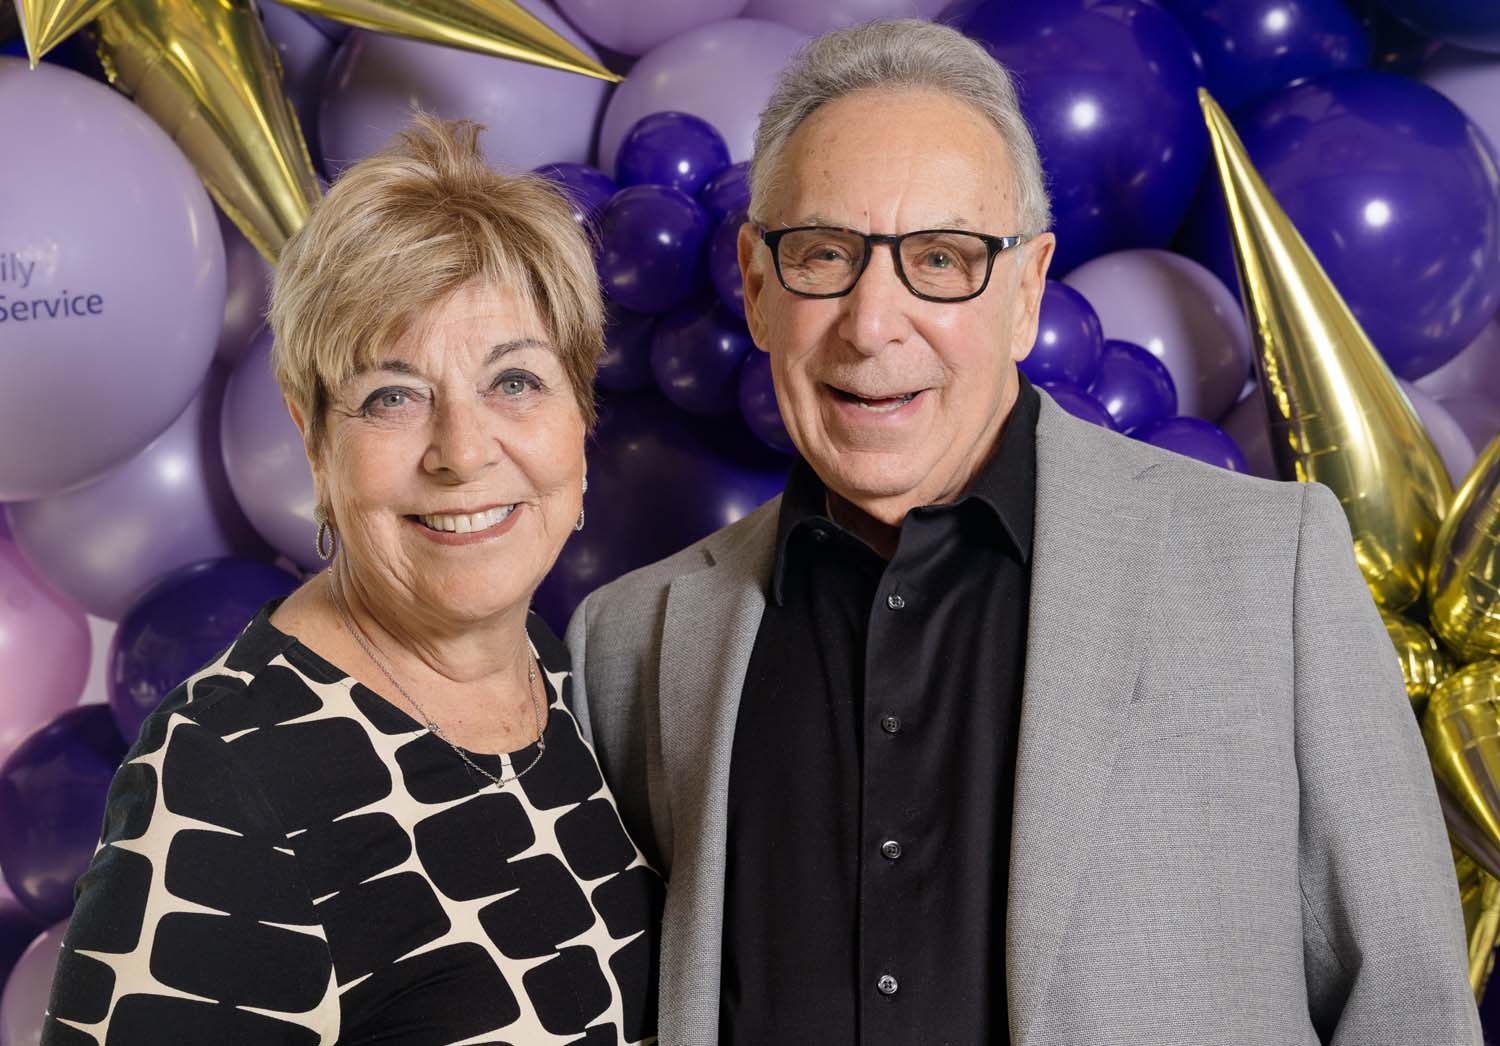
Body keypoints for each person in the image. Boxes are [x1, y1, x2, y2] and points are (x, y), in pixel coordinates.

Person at [566, 19, 1479, 1046]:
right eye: (824, 254)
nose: (873, 323)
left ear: (1026, 293)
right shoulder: (630, 642)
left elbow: (1409, 1011)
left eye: (941, 259)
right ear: (758, 284)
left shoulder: (1271, 573)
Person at [42, 116, 661, 1045]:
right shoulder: (226, 776)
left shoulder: (564, 676)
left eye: (515, 382)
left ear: (581, 411)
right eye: (392, 396)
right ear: (314, 438)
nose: (462, 452)